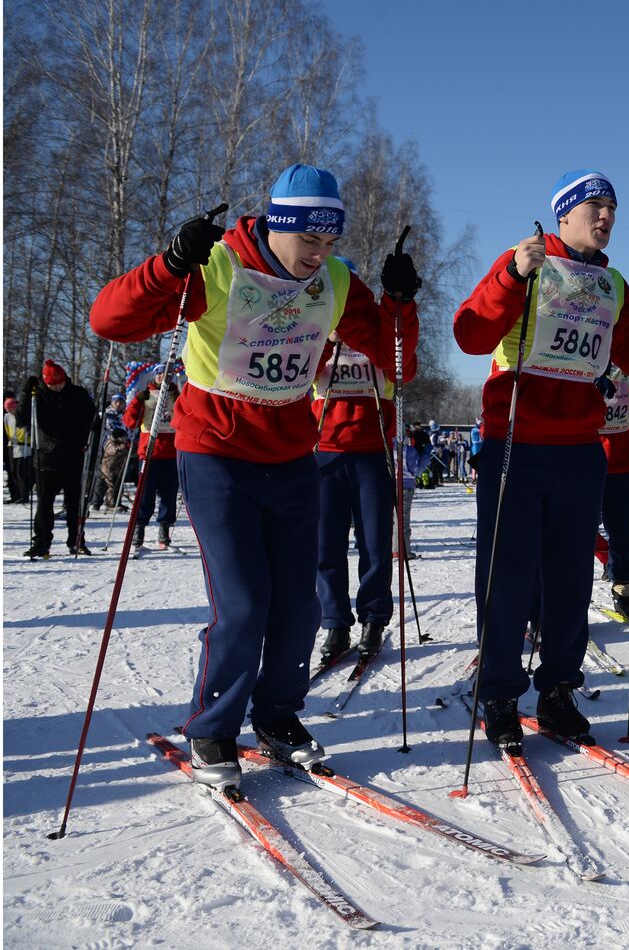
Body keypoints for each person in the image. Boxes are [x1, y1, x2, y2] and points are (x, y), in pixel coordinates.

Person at [91, 163, 421, 788]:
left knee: (298, 603)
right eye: (309, 242)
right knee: (244, 602)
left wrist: (402, 302)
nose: (319, 256)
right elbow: (109, 321)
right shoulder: (218, 266)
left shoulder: (336, 282)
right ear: (278, 227)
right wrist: (168, 264)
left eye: (331, 244)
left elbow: (398, 361)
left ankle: (277, 716)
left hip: (294, 454)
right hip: (216, 451)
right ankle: (213, 728)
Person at [454, 170, 629, 751]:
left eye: (613, 210)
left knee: (571, 576)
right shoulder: (526, 260)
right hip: (516, 440)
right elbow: (470, 334)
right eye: (595, 207)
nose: (606, 218)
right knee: (507, 572)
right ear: (565, 214)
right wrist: (510, 276)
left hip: (580, 445)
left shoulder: (612, 283)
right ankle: (499, 693)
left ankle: (557, 691)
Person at [312, 285, 416, 662]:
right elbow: (304, 368)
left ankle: (374, 618)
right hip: (327, 454)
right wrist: (329, 338)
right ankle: (335, 622)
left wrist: (363, 337)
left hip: (372, 454)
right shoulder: (317, 332)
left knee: (375, 544)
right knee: (327, 546)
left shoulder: (376, 339)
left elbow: (408, 368)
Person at [18, 361, 97, 557]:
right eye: (53, 385)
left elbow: (92, 418)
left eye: (60, 383)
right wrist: (26, 394)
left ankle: (77, 539)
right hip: (46, 457)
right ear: (46, 382)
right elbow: (21, 419)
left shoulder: (77, 394)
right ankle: (41, 542)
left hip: (73, 455)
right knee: (45, 503)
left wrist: (83, 439)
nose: (57, 387)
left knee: (75, 503)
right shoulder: (37, 395)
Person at [594, 362, 629, 619]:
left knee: (623, 530)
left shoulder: (627, 354)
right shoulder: (586, 344)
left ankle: (623, 588)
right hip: (586, 455)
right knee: (578, 529)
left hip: (620, 460)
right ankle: (568, 593)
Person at [123, 368, 181, 549]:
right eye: (160, 375)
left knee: (169, 494)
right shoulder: (146, 394)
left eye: (167, 375)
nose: (163, 378)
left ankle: (164, 531)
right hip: (149, 453)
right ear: (154, 377)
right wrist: (137, 401)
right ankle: (139, 530)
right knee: (145, 494)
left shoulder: (176, 394)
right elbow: (129, 422)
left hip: (171, 452)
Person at [393, 430, 424, 560]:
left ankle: (395, 549)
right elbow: (416, 469)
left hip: (391, 484)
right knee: (403, 519)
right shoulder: (410, 451)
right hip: (406, 485)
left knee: (394, 518)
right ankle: (403, 550)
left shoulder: (388, 449)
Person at [5, 396, 34, 504]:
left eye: (10, 408)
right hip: (12, 446)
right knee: (13, 472)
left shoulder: (22, 416)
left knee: (21, 472)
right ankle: (17, 494)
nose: (9, 410)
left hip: (23, 446)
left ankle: (24, 495)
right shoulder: (7, 417)